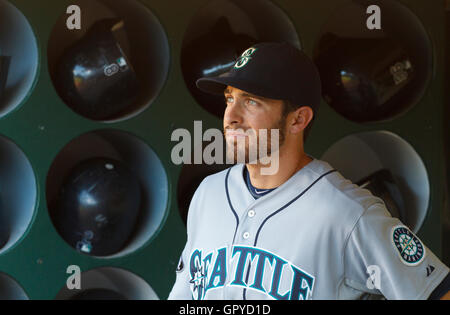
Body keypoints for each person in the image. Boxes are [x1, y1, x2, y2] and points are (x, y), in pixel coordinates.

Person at [168, 42, 450, 300]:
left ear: (298, 119)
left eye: (251, 101)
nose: (231, 117)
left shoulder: (348, 212)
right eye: (230, 99)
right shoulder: (209, 193)